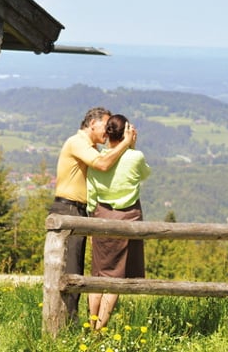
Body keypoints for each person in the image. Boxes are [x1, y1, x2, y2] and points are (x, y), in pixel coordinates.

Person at [50, 107, 137, 323]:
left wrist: (129, 147)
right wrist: (125, 143)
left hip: (77, 211)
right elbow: (104, 164)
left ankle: (69, 323)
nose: (107, 132)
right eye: (105, 126)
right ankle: (64, 325)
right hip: (68, 209)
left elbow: (114, 167)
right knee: (69, 271)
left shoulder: (89, 147)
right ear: (92, 124)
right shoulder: (77, 142)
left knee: (76, 270)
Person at [86, 114, 151, 330]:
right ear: (125, 134)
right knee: (115, 278)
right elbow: (144, 174)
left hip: (101, 217)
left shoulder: (98, 158)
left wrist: (92, 216)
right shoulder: (135, 157)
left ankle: (90, 325)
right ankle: (99, 331)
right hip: (126, 218)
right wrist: (132, 146)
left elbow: (92, 192)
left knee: (98, 274)